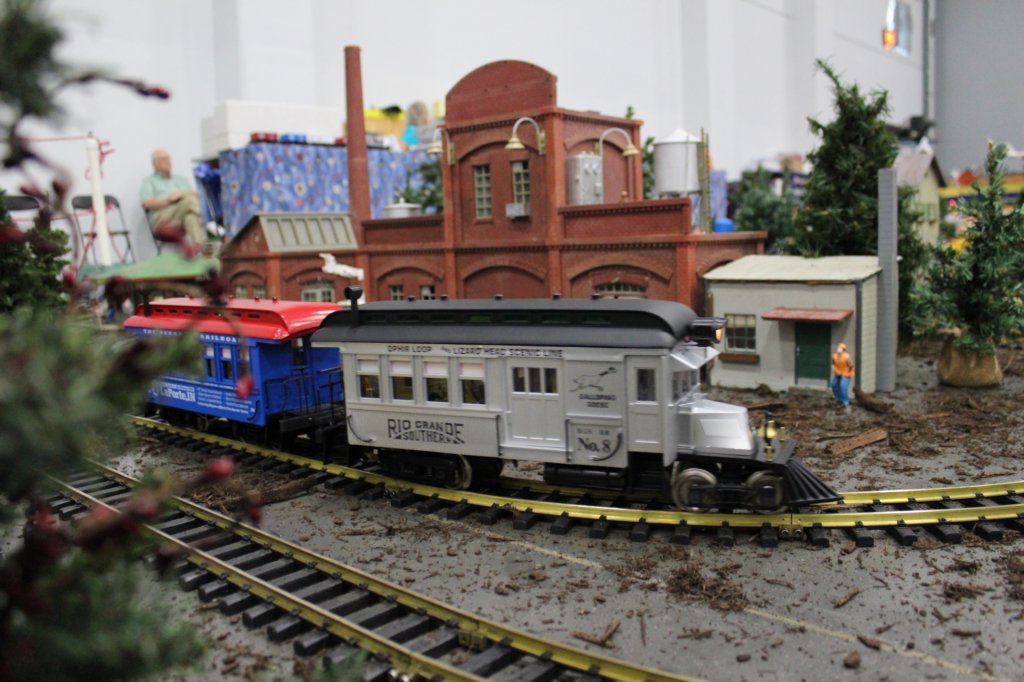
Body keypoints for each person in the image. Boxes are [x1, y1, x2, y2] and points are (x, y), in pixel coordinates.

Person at [140, 149, 204, 244]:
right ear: (155, 165)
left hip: (183, 214)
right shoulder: (149, 181)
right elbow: (146, 203)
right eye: (163, 159)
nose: (167, 162)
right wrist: (169, 201)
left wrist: (181, 194)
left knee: (191, 217)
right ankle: (210, 224)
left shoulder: (181, 179)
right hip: (163, 217)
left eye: (168, 159)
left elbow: (197, 194)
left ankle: (201, 249)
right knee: (189, 201)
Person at [831, 342, 855, 408]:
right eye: (838, 348)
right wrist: (835, 370)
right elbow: (833, 364)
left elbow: (851, 366)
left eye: (840, 348)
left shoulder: (846, 357)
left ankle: (845, 401)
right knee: (834, 384)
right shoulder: (834, 356)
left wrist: (849, 373)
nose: (838, 349)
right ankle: (838, 398)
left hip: (846, 373)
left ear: (843, 350)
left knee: (843, 386)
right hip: (838, 372)